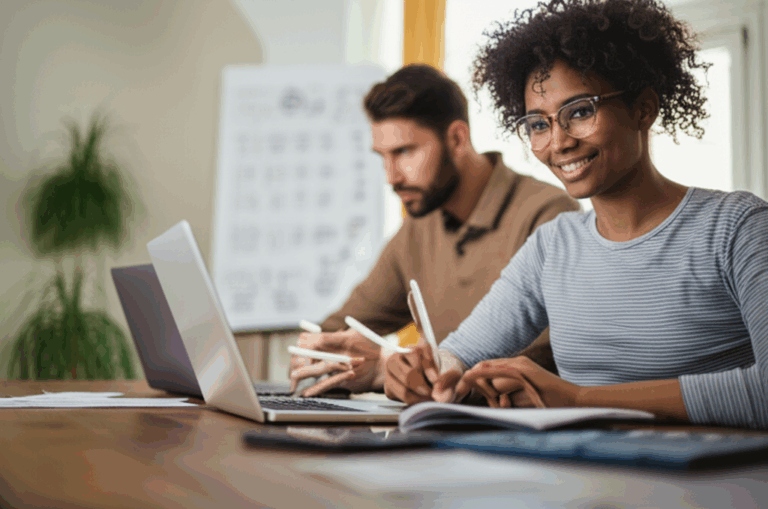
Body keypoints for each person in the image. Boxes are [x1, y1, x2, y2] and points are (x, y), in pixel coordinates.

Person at [385, 0, 768, 429]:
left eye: (581, 111)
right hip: (577, 466)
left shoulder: (740, 229)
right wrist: (426, 371)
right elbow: (459, 353)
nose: (559, 142)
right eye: (538, 124)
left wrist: (579, 399)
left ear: (643, 108)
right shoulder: (553, 246)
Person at [290, 64, 580, 396]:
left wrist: (392, 368)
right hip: (435, 418)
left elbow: (548, 359)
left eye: (404, 152)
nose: (392, 177)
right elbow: (334, 332)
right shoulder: (419, 226)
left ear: (457, 139)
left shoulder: (547, 214)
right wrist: (316, 355)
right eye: (382, 157)